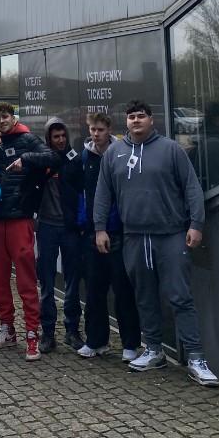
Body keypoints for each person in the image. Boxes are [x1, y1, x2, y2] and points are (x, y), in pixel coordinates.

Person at [94, 100, 219, 387]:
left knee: (180, 296)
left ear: (151, 120)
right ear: (126, 122)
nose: (136, 120)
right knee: (144, 296)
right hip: (134, 237)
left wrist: (196, 224)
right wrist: (99, 229)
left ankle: (196, 358)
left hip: (170, 235)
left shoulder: (171, 150)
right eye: (131, 117)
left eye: (141, 116)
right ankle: (153, 350)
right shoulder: (114, 153)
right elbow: (103, 194)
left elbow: (191, 187)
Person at [0, 102, 58, 361]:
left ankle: (32, 334)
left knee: (26, 280)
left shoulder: (29, 139)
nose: (1, 121)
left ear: (13, 117)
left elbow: (52, 158)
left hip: (20, 219)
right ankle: (7, 328)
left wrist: (25, 159)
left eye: (5, 117)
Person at [77, 112, 141, 361]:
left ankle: (130, 343)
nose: (96, 134)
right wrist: (85, 222)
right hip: (92, 231)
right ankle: (96, 340)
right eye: (92, 129)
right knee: (94, 289)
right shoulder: (85, 156)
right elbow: (82, 192)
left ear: (109, 130)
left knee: (122, 289)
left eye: (100, 130)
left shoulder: (121, 154)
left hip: (118, 231)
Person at [35, 118, 85, 354]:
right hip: (46, 226)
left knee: (72, 281)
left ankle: (72, 330)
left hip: (70, 227)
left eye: (63, 136)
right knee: (46, 281)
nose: (61, 140)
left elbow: (82, 190)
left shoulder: (74, 160)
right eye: (56, 137)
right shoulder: (42, 160)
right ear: (49, 138)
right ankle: (47, 332)